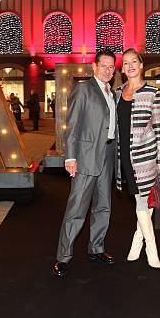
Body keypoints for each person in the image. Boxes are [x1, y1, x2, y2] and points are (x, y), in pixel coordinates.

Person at [53, 50, 117, 278]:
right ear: (94, 66)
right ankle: (63, 257)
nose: (108, 70)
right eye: (104, 66)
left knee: (103, 207)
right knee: (77, 209)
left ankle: (96, 248)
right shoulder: (83, 89)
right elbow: (72, 125)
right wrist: (70, 157)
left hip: (108, 155)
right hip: (86, 156)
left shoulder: (112, 93)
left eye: (111, 67)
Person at [115, 48, 160, 269]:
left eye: (133, 61)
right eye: (125, 63)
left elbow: (159, 128)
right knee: (142, 201)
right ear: (122, 68)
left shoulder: (153, 92)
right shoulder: (117, 92)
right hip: (123, 156)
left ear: (141, 64)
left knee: (141, 201)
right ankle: (137, 242)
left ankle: (150, 249)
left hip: (145, 156)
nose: (130, 66)